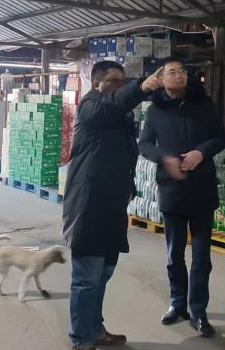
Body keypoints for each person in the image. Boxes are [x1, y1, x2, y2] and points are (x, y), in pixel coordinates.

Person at [63, 61, 164, 350]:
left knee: (103, 273)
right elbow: (108, 108)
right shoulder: (90, 106)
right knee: (87, 277)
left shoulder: (120, 114)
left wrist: (129, 186)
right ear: (97, 84)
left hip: (112, 204)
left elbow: (123, 153)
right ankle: (81, 339)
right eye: (114, 81)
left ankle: (94, 329)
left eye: (123, 81)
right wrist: (140, 87)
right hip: (88, 204)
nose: (121, 86)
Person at [138, 57, 225, 338]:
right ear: (162, 79)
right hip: (172, 190)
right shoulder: (155, 111)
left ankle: (198, 311)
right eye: (172, 72)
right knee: (173, 255)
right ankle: (178, 304)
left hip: (201, 189)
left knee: (201, 259)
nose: (179, 75)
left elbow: (221, 137)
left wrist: (201, 152)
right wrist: (164, 158)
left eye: (182, 71)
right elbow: (144, 144)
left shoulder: (204, 105)